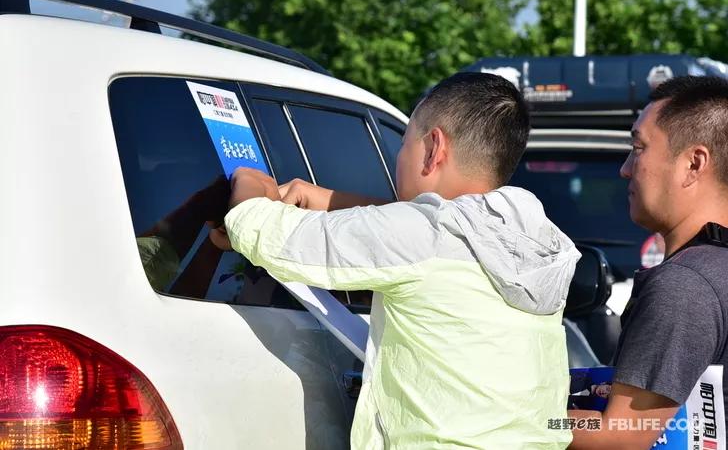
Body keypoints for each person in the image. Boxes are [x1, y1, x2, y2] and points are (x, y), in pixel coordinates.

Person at [211, 72, 581, 449]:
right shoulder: (535, 239)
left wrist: (250, 183)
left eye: (404, 144)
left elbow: (264, 232)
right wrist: (326, 198)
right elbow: (437, 225)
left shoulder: (421, 238)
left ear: (434, 148)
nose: (398, 158)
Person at [569, 75, 728, 449]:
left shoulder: (686, 286)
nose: (625, 168)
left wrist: (526, 416)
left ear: (694, 163)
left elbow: (619, 437)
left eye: (638, 148)